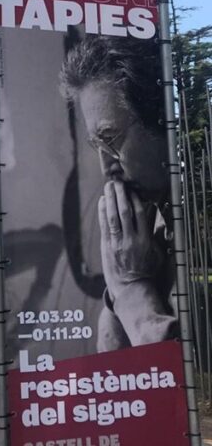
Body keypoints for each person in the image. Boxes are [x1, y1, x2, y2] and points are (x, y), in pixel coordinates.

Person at [60, 35, 178, 351]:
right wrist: (118, 289)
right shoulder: (151, 230)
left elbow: (187, 377)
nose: (106, 166)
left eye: (110, 138)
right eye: (96, 145)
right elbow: (118, 372)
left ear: (161, 122)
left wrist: (131, 288)